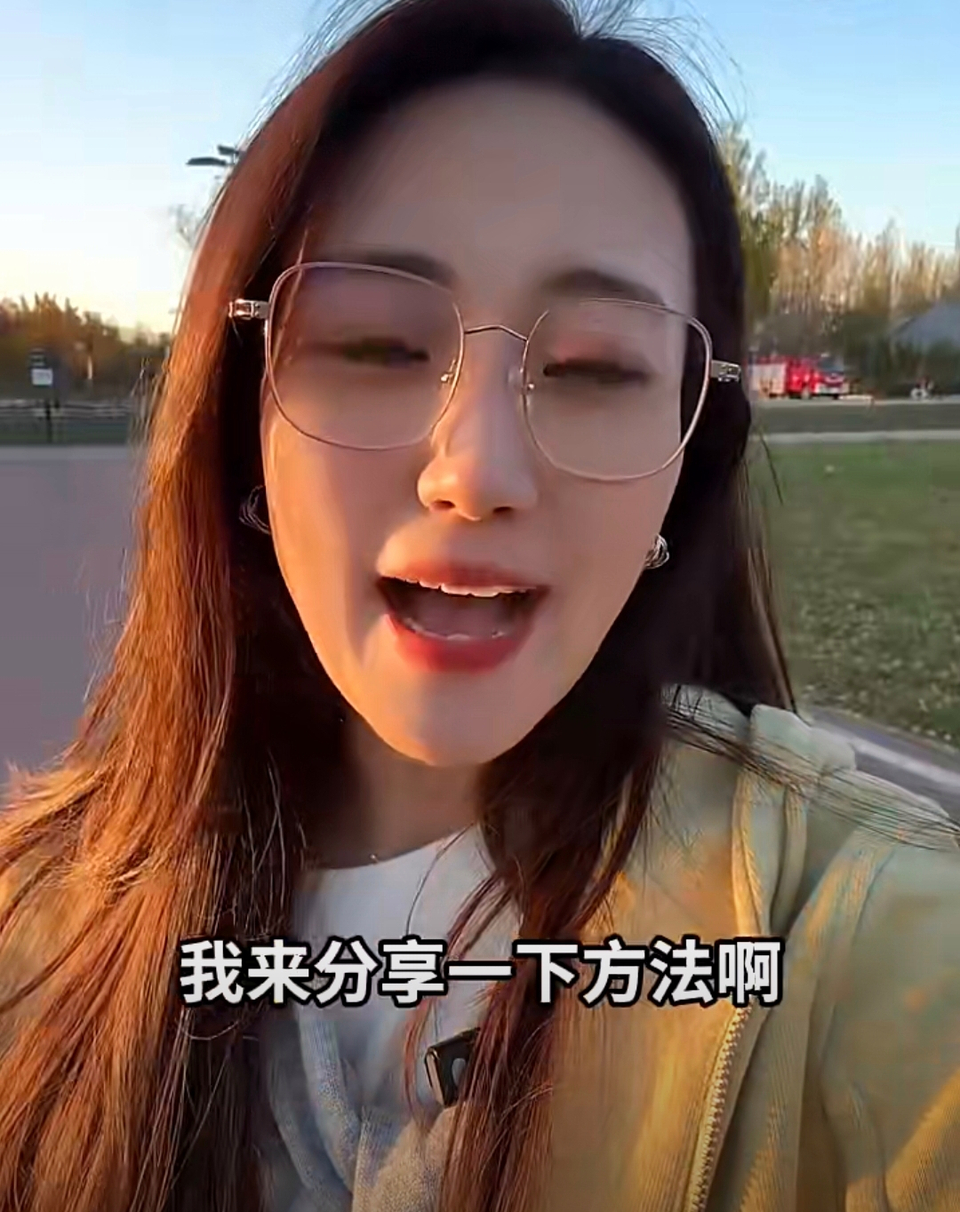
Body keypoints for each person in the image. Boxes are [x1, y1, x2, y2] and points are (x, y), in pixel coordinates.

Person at [1, 1, 958, 1209]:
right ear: (246, 414)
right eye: (378, 345)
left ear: (687, 449)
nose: (479, 471)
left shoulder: (865, 943)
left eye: (594, 367)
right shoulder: (35, 931)